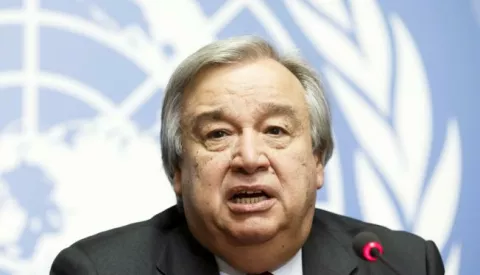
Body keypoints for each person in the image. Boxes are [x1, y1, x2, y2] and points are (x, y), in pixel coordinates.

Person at [50, 36, 444, 275]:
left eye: (276, 131)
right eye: (218, 134)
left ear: (318, 160)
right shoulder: (98, 271)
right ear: (178, 170)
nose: (250, 158)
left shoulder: (403, 265)